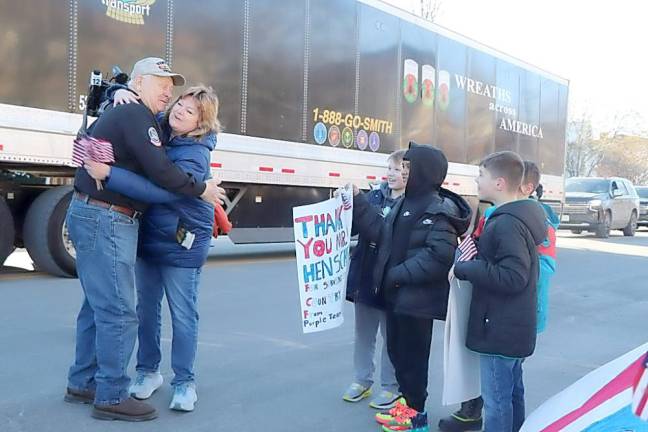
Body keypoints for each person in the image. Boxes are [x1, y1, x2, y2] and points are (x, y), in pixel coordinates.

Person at [64, 57, 226, 422]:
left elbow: (161, 176)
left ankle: (85, 381)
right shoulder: (140, 115)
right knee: (120, 312)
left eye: (173, 87)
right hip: (107, 218)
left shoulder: (154, 125)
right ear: (139, 84)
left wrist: (117, 92)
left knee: (99, 306)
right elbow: (161, 176)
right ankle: (111, 395)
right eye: (162, 84)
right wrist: (200, 190)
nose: (170, 94)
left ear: (202, 123)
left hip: (133, 227)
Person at [349, 143, 471, 432]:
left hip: (418, 301)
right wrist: (359, 201)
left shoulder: (440, 208)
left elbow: (438, 256)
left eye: (409, 167)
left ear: (424, 171)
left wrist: (396, 275)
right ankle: (407, 405)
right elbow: (381, 232)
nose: (404, 172)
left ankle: (417, 416)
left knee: (415, 360)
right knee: (398, 354)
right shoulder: (404, 203)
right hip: (396, 297)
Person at [438, 159, 559, 432]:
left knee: (497, 401)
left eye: (481, 176)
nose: (477, 181)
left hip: (499, 327)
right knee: (512, 393)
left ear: (499, 183)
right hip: (512, 324)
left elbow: (514, 276)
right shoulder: (522, 217)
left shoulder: (506, 224)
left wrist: (465, 268)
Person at [343, 149, 408, 410]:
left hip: (391, 282)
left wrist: (359, 203)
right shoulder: (375, 196)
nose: (392, 174)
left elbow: (382, 233)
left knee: (390, 338)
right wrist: (345, 204)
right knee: (363, 334)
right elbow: (354, 227)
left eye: (398, 169)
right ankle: (362, 380)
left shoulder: (410, 205)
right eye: (389, 168)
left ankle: (390, 386)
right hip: (366, 279)